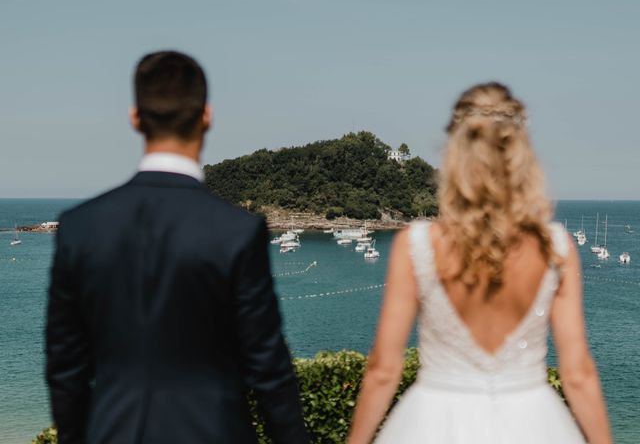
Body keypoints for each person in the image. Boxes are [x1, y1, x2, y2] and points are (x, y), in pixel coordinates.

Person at [45, 51, 309, 444]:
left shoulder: (80, 227)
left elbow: (65, 365)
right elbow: (268, 367)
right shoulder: (237, 230)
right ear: (207, 116)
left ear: (135, 118)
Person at [348, 83, 611, 443]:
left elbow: (383, 370)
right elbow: (577, 373)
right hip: (534, 424)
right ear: (521, 154)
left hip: (432, 424)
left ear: (454, 154)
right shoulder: (556, 248)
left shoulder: (416, 244)